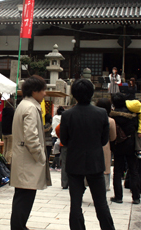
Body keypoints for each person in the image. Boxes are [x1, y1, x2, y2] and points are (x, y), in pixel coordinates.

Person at [60, 79, 115, 230]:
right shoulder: (101, 113)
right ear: (91, 93)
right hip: (95, 161)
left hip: (74, 161)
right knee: (100, 202)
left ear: (75, 95)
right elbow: (104, 140)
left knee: (75, 203)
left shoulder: (67, 115)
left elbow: (64, 139)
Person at [10, 75, 51, 230]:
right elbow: (31, 137)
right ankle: (18, 227)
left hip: (23, 158)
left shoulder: (24, 105)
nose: (44, 94)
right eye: (43, 90)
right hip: (27, 160)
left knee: (22, 196)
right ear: (35, 91)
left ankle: (19, 226)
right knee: (25, 197)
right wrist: (40, 156)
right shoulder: (31, 107)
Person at [110, 93, 140, 204]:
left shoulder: (112, 116)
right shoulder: (133, 115)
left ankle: (118, 196)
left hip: (118, 145)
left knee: (117, 171)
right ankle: (136, 197)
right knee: (133, 170)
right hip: (131, 144)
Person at [96, 98, 117, 191]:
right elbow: (113, 137)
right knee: (104, 167)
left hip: (90, 146)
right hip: (105, 146)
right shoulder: (111, 121)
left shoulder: (91, 118)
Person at [1, 98, 14, 165]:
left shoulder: (4, 111)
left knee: (5, 149)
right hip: (10, 132)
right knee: (10, 149)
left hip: (4, 132)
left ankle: (3, 161)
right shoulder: (12, 111)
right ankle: (8, 162)